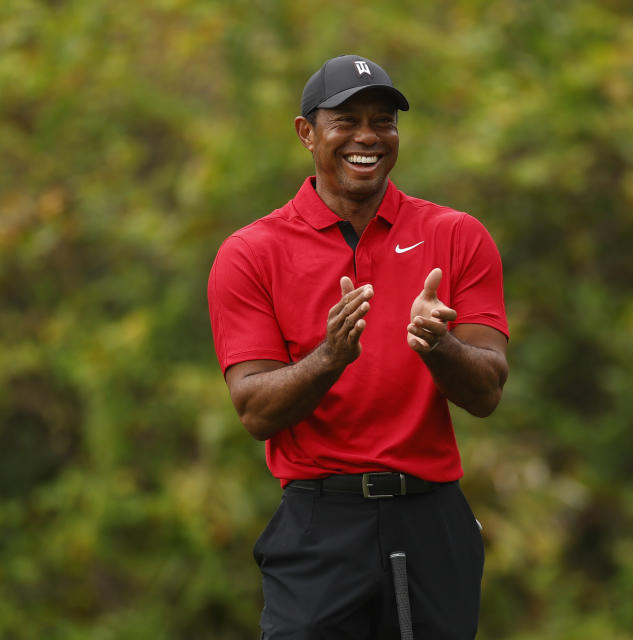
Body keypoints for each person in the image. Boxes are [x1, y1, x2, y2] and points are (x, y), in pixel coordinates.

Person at [207, 54, 509, 639]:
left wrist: (437, 345)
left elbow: (489, 390)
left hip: (431, 517)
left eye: (383, 120)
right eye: (346, 120)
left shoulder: (455, 235)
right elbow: (255, 410)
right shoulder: (251, 253)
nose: (367, 136)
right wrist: (330, 357)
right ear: (307, 133)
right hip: (321, 522)